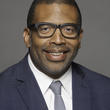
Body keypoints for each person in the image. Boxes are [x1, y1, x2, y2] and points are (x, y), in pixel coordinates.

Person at [0, 0, 110, 110]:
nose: (58, 40)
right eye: (45, 29)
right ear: (28, 37)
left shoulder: (105, 90)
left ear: (79, 38)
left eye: (68, 29)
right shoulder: (3, 90)